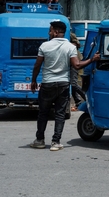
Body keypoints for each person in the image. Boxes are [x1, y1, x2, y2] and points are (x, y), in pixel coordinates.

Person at [30, 21, 99, 151]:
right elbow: (77, 65)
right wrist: (91, 60)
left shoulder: (44, 46)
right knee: (60, 114)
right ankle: (56, 142)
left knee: (43, 113)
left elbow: (37, 65)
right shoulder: (70, 47)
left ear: (56, 32)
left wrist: (33, 80)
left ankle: (39, 140)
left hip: (47, 84)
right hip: (63, 84)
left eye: (50, 30)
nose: (49, 33)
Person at [68, 33, 87, 111]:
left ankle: (86, 97)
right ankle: (78, 102)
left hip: (74, 61)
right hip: (71, 62)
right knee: (72, 84)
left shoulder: (70, 35)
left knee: (74, 83)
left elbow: (76, 44)